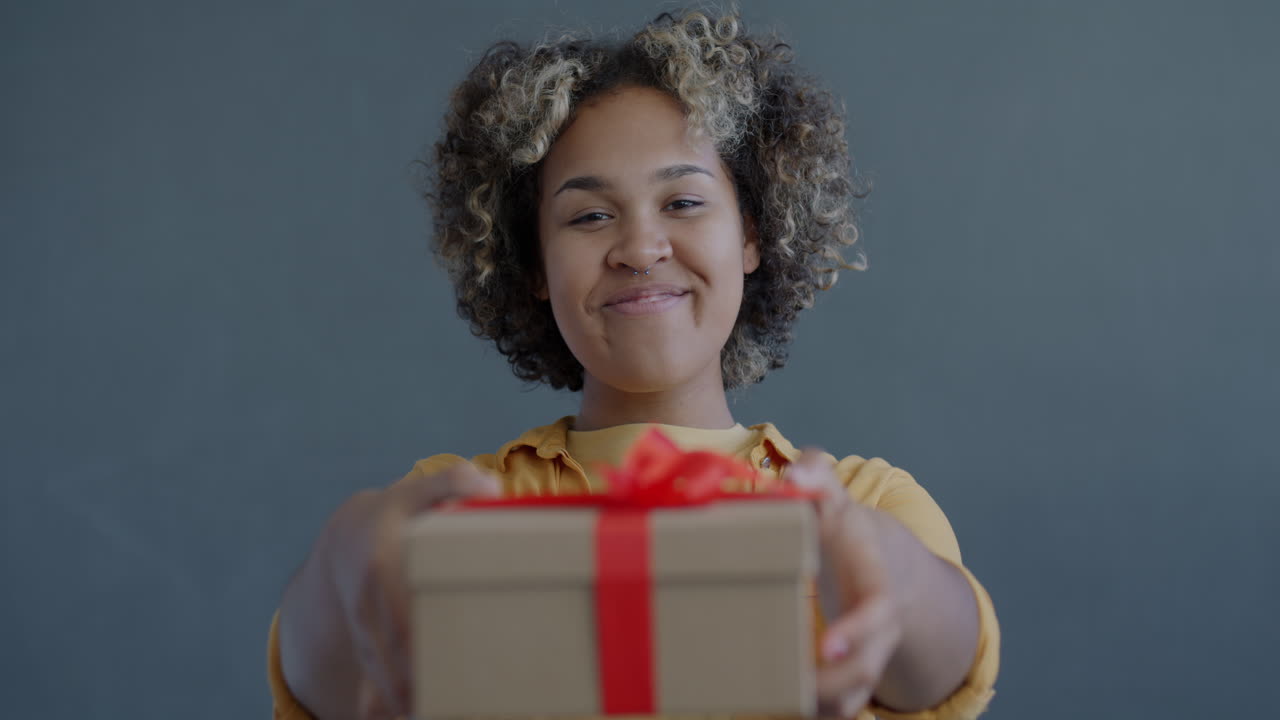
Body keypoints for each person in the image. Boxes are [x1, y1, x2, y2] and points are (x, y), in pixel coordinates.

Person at [268, 9, 999, 720]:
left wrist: (891, 579)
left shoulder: (862, 506)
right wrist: (340, 565)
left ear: (753, 234)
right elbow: (321, 679)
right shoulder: (446, 512)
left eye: (682, 201)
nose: (640, 248)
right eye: (589, 216)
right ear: (533, 266)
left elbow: (942, 665)